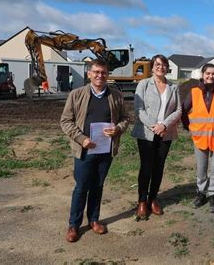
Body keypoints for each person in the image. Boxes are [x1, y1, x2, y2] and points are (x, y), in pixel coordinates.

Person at [60, 58, 130, 242]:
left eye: (104, 72)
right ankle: (74, 225)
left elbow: (125, 118)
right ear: (89, 73)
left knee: (98, 186)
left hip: (105, 150)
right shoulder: (76, 94)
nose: (100, 76)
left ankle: (93, 220)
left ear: (108, 75)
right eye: (96, 72)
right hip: (84, 150)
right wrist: (81, 139)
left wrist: (118, 129)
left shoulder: (115, 95)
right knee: (82, 187)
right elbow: (65, 121)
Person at [131, 54, 182, 219]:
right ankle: (142, 201)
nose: (161, 67)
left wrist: (164, 125)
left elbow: (179, 110)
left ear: (167, 68)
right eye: (157, 64)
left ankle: (153, 199)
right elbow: (139, 109)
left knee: (159, 168)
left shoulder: (173, 87)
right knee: (146, 167)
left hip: (165, 133)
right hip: (147, 133)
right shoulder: (143, 84)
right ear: (152, 67)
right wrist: (154, 126)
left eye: (164, 65)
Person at [182, 64, 214, 213]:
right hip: (200, 137)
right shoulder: (194, 92)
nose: (210, 76)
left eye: (213, 74)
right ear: (203, 74)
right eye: (208, 73)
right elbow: (183, 111)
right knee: (201, 169)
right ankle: (201, 193)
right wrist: (189, 127)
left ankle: (213, 195)